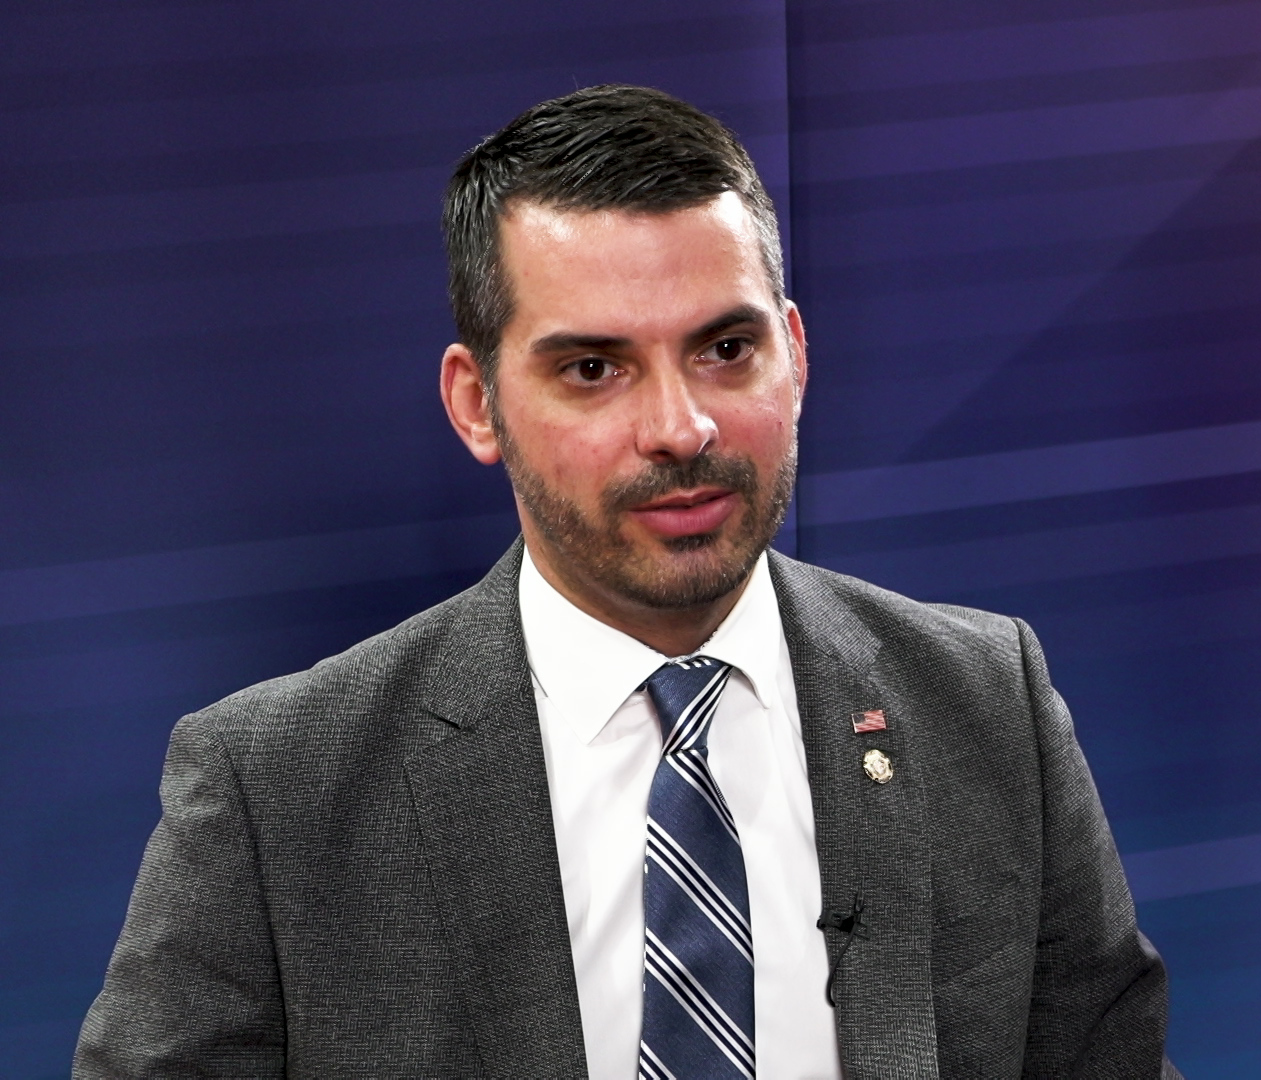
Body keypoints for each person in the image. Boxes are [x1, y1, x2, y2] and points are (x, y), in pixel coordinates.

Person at [75, 85, 1174, 1079]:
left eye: (725, 349)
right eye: (593, 369)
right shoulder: (279, 791)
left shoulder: (985, 701)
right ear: (476, 403)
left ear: (794, 353)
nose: (680, 427)